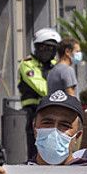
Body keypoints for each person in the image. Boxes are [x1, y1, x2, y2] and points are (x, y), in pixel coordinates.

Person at [19, 28, 60, 158]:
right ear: (36, 47)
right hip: (34, 110)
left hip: (53, 108)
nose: (48, 51)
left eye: (51, 48)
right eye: (44, 47)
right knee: (35, 146)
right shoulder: (28, 64)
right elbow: (42, 88)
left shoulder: (55, 64)